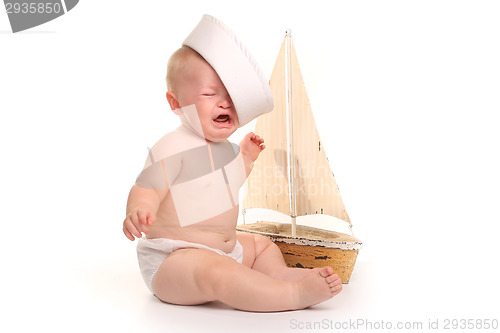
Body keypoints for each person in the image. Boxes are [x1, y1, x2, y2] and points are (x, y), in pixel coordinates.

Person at [122, 15, 342, 312]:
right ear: (175, 103)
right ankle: (292, 296)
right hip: (174, 260)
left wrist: (246, 160)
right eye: (210, 94)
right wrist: (140, 209)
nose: (224, 103)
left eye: (231, 96)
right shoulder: (172, 147)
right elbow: (147, 186)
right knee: (218, 272)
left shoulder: (224, 150)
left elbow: (222, 188)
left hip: (227, 249)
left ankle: (279, 276)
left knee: (262, 245)